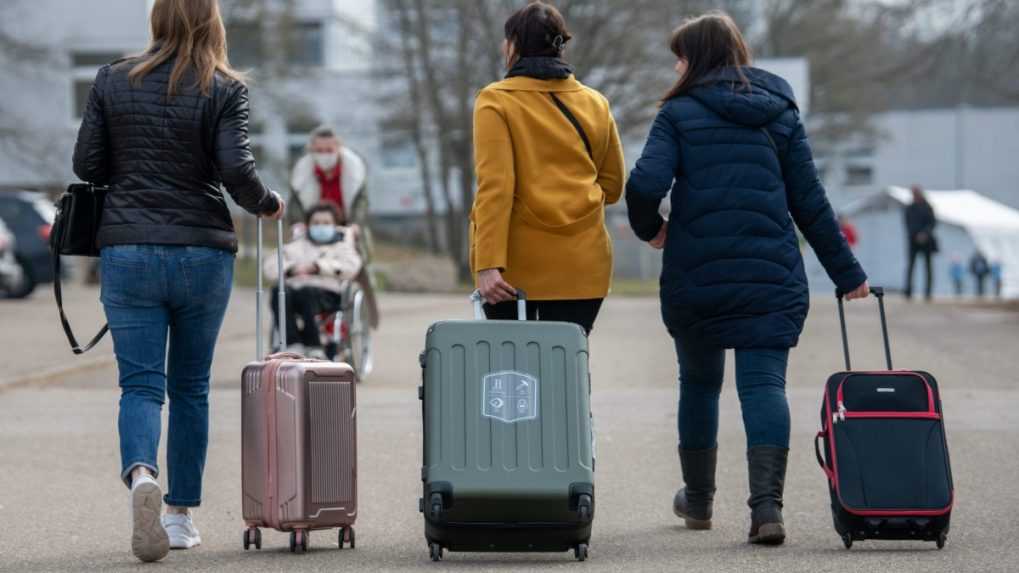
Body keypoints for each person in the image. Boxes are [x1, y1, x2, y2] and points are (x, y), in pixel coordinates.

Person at [625, 12, 868, 546]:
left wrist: (653, 229)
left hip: (698, 273)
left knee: (700, 384)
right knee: (763, 386)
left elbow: (643, 183)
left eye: (680, 55)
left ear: (697, 58)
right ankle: (766, 510)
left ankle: (700, 502)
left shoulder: (679, 113)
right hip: (769, 274)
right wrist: (847, 274)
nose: (676, 65)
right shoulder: (779, 114)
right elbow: (811, 203)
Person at [71, 0, 284, 562]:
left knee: (141, 386)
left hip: (129, 250)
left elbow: (87, 165)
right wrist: (267, 204)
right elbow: (236, 169)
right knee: (190, 387)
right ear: (211, 24)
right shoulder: (224, 87)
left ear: (156, 21)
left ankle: (143, 473)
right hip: (201, 253)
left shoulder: (111, 80)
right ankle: (178, 515)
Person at [471, 1, 625, 334]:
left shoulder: (496, 100)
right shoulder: (596, 102)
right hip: (583, 265)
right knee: (566, 371)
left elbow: (495, 187)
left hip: (512, 270)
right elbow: (612, 186)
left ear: (514, 44)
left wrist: (487, 264)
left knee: (513, 374)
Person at [264, 202, 363, 358]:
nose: (320, 226)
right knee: (278, 291)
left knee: (307, 293)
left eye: (326, 223)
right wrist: (291, 269)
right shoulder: (297, 245)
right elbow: (270, 265)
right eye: (316, 223)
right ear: (308, 225)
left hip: (327, 294)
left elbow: (352, 266)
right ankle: (293, 343)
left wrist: (317, 267)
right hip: (294, 291)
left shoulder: (342, 246)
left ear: (335, 225)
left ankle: (314, 345)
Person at [291, 125, 368, 227]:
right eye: (319, 150)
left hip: (348, 227)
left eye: (329, 150)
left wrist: (355, 224)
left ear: (339, 148)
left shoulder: (356, 171)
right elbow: (295, 203)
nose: (324, 155)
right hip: (313, 229)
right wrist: (298, 223)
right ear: (311, 149)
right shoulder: (301, 172)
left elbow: (361, 202)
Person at [904, 185, 938, 300]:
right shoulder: (909, 208)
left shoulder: (928, 207)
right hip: (913, 241)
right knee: (911, 266)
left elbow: (932, 223)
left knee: (928, 267)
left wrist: (924, 234)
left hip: (926, 241)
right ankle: (908, 291)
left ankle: (928, 292)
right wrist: (915, 235)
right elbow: (907, 224)